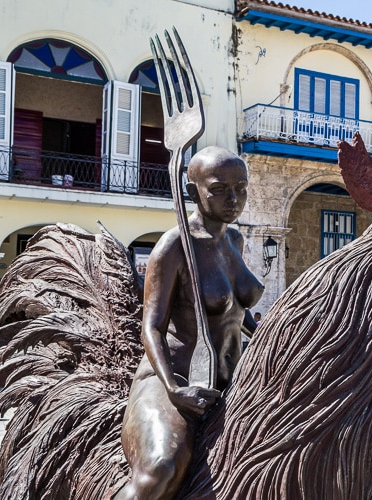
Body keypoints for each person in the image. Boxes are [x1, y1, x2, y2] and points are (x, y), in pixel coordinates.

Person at [117, 147, 265, 499]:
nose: (233, 199)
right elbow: (151, 326)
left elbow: (234, 312)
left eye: (240, 188)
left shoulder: (234, 239)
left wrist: (270, 342)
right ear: (192, 191)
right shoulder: (173, 247)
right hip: (175, 377)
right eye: (218, 189)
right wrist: (173, 389)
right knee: (161, 467)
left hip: (226, 376)